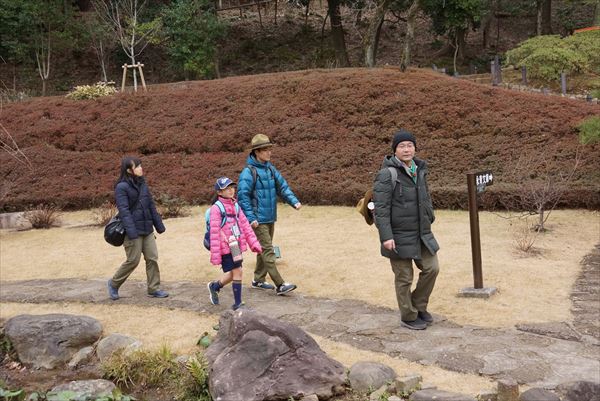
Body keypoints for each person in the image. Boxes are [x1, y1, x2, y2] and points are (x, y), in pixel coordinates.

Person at [373, 130, 440, 330]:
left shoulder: (419, 169)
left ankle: (418, 305)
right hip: (398, 235)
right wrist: (386, 236)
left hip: (421, 232)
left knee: (432, 268)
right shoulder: (387, 174)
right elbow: (381, 209)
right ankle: (408, 315)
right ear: (395, 150)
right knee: (404, 277)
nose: (406, 149)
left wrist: (430, 215)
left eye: (410, 145)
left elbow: (425, 197)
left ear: (415, 148)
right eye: (402, 146)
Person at [237, 134, 301, 295]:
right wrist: (251, 218)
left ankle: (258, 280)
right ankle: (280, 284)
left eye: (269, 149)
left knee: (263, 249)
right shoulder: (248, 172)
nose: (269, 153)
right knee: (268, 250)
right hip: (258, 220)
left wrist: (294, 201)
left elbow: (283, 187)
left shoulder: (270, 169)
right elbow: (243, 198)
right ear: (257, 152)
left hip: (270, 217)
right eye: (266, 150)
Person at [107, 157, 168, 300]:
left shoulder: (143, 183)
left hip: (147, 228)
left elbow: (150, 205)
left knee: (152, 258)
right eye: (138, 166)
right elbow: (124, 211)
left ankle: (154, 288)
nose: (141, 168)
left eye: (140, 165)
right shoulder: (121, 187)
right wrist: (132, 231)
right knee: (133, 260)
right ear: (129, 170)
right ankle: (114, 284)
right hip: (132, 231)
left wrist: (159, 225)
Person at [207, 177, 262, 310]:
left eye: (232, 187)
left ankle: (214, 286)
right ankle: (237, 304)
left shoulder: (236, 206)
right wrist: (216, 255)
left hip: (235, 246)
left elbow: (246, 226)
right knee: (238, 272)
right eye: (227, 188)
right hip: (225, 247)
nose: (231, 190)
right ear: (219, 192)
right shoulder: (216, 208)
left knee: (234, 273)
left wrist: (254, 243)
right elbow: (214, 233)